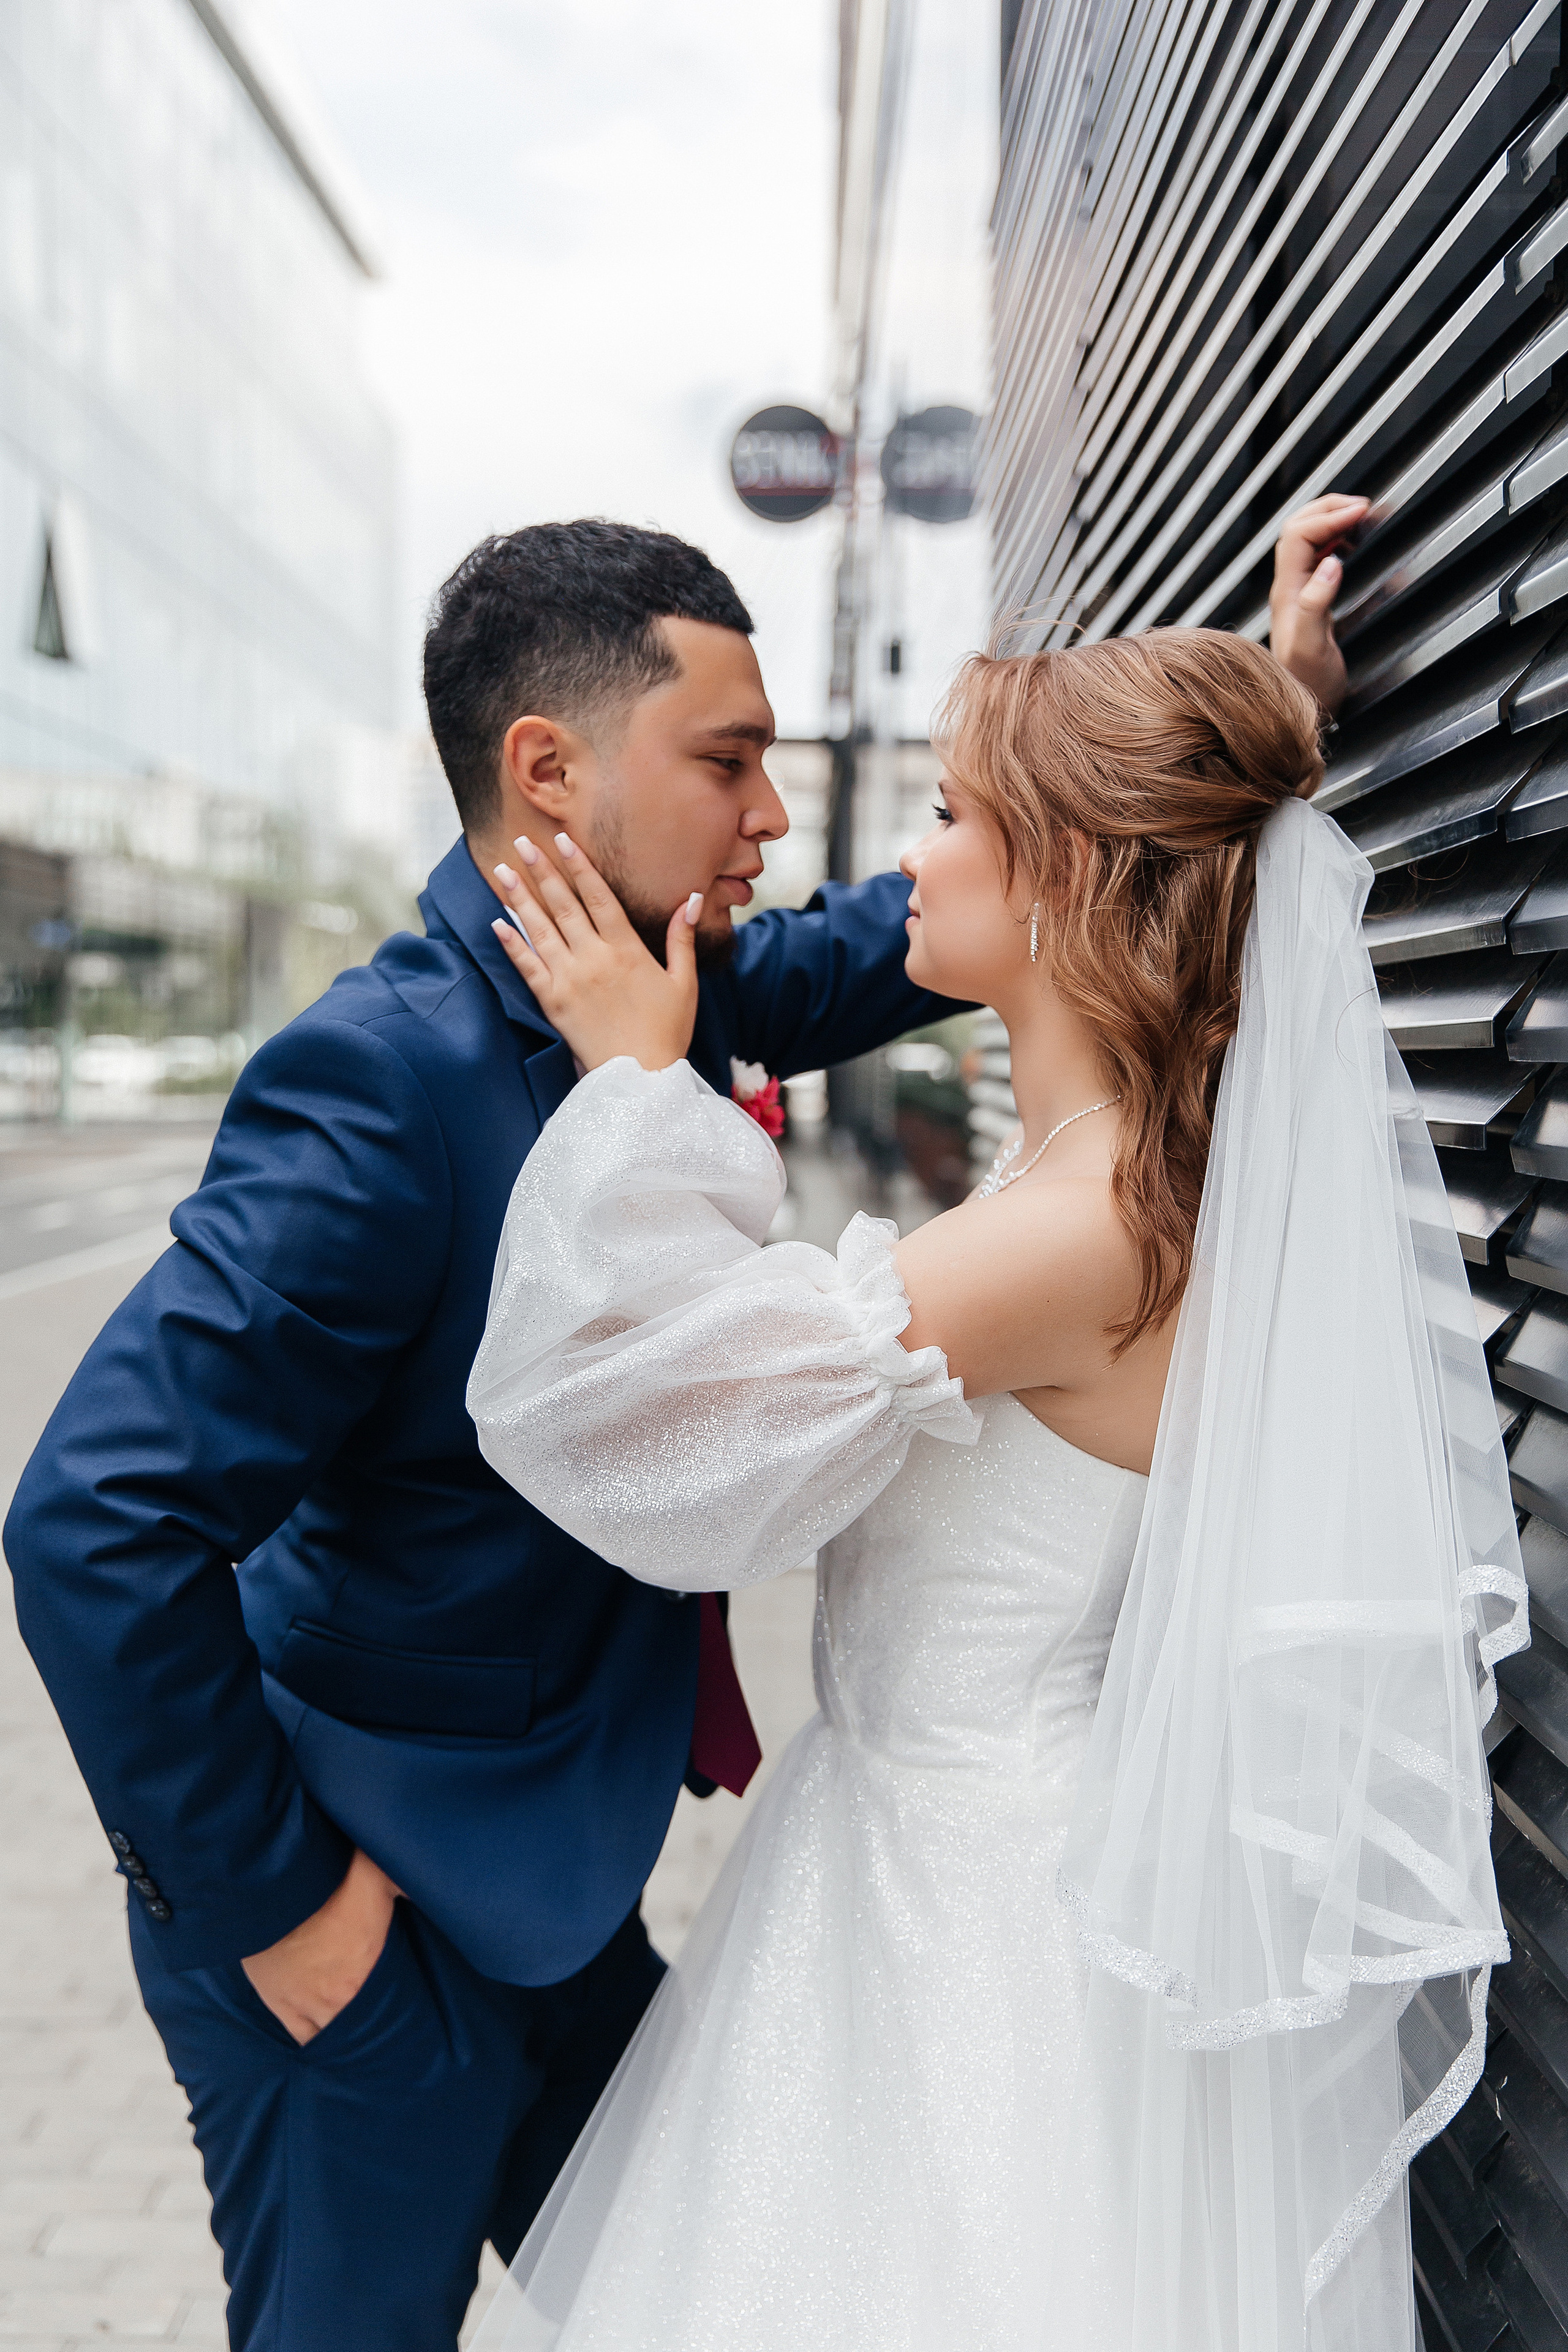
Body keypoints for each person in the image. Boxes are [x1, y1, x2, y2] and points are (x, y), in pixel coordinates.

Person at [1, 495, 1359, 2351]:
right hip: (357, 1918)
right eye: (730, 763)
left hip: (572, 1900)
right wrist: (280, 1909)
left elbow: (979, 911)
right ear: (548, 770)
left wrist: (1246, 738)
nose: (778, 820)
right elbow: (90, 1522)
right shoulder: (379, 1084)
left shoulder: (683, 988)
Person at [467, 622, 1524, 2352]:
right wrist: (1267, 696)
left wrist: (635, 1088)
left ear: (1076, 880)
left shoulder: (1069, 1236)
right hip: (964, 1862)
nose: (909, 858)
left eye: (954, 813)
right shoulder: (1124, 1185)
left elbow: (627, 1427)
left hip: (967, 1927)